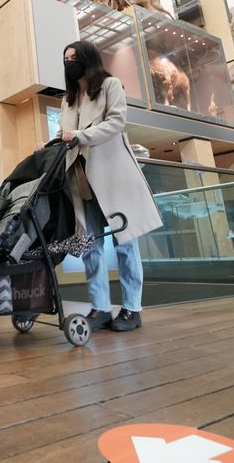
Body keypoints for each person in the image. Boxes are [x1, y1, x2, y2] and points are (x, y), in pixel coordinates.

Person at [56, 41, 162, 332]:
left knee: (125, 244)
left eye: (73, 58)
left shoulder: (110, 86)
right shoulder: (67, 99)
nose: (69, 63)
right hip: (81, 180)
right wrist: (50, 145)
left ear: (88, 59)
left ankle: (132, 308)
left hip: (113, 177)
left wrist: (78, 135)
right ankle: (100, 307)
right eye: (65, 59)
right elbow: (61, 133)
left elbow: (116, 122)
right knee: (91, 246)